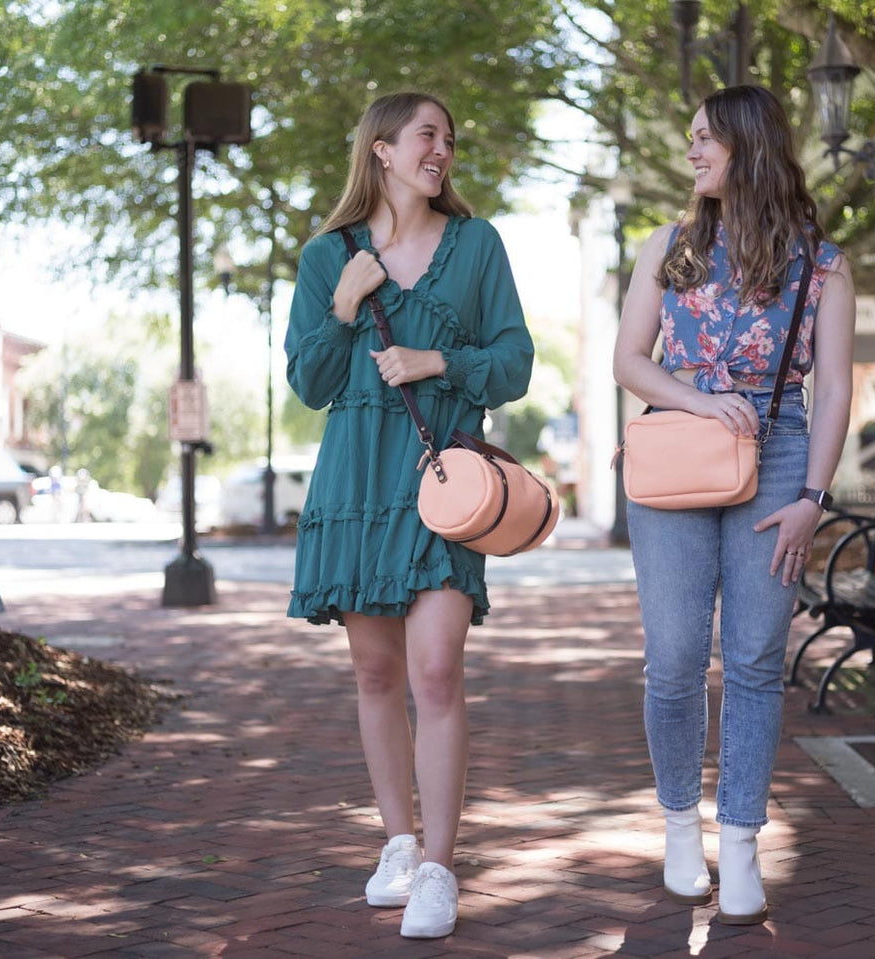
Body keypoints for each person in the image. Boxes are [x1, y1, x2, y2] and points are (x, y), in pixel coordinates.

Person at [284, 91, 534, 940]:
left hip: (442, 481)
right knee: (375, 676)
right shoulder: (329, 256)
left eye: (449, 138)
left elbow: (515, 359)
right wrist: (345, 302)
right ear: (382, 150)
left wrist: (439, 358)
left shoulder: (477, 245)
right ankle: (396, 841)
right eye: (428, 134)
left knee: (434, 672)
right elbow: (309, 382)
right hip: (354, 482)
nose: (443, 149)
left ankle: (437, 866)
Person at [612, 85, 854, 925]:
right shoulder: (667, 247)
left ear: (747, 144)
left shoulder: (821, 263)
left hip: (781, 453)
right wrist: (696, 400)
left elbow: (830, 396)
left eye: (705, 137)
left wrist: (812, 500)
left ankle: (742, 841)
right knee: (674, 654)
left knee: (753, 658)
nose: (692, 151)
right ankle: (681, 829)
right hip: (678, 452)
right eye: (689, 137)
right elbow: (628, 362)